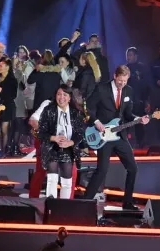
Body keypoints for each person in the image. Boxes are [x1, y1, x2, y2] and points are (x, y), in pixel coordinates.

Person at [81, 65, 149, 209]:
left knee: (133, 168)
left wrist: (138, 119)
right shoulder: (101, 89)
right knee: (102, 170)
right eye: (120, 80)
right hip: (103, 135)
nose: (122, 83)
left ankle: (127, 203)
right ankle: (85, 203)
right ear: (114, 76)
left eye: (125, 81)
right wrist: (96, 122)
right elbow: (88, 107)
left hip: (120, 135)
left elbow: (128, 114)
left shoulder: (128, 90)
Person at [35, 85, 85, 199]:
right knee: (52, 180)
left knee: (67, 182)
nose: (61, 97)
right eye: (59, 94)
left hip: (68, 149)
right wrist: (54, 138)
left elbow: (80, 134)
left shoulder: (75, 113)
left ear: (69, 97)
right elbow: (41, 133)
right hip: (52, 148)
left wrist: (70, 142)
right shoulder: (48, 110)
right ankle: (51, 206)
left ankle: (64, 206)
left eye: (64, 95)